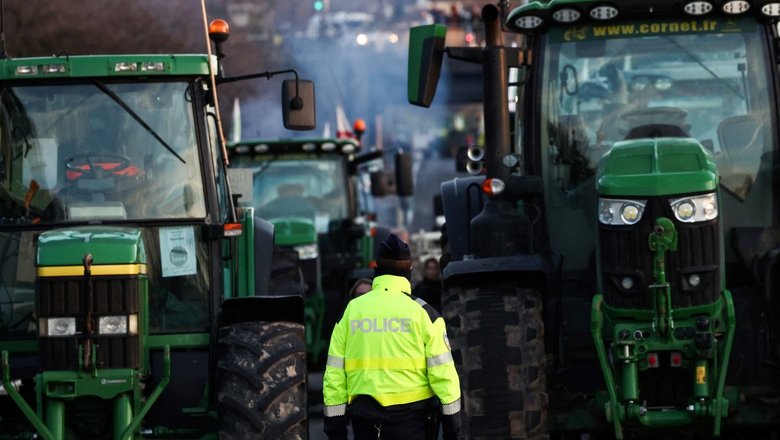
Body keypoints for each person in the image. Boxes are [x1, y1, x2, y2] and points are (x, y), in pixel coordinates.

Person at [323, 233, 462, 440]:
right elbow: (444, 375)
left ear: (376, 270)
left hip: (365, 422)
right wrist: (453, 428)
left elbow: (334, 373)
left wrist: (335, 427)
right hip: (413, 422)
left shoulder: (352, 311)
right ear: (409, 271)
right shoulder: (425, 314)